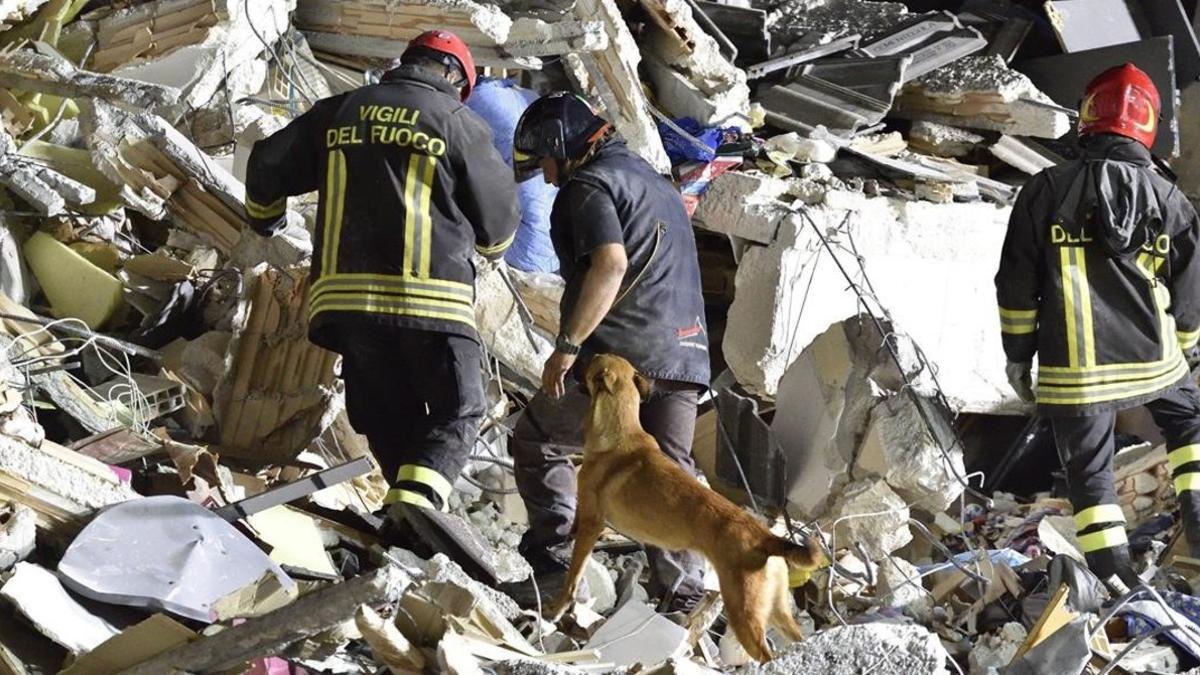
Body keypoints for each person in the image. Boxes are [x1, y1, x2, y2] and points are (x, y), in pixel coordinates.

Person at [244, 30, 519, 516]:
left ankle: (404, 512)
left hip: (345, 304)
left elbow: (267, 163)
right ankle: (418, 504)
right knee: (459, 407)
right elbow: (497, 227)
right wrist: (488, 245)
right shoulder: (457, 121)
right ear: (455, 78)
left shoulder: (340, 111)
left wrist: (266, 219)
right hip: (430, 299)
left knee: (389, 413)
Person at [995, 63, 1200, 588]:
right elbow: (1190, 294)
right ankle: (1199, 523)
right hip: (1154, 359)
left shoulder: (1044, 191)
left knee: (1091, 474)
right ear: (1150, 125)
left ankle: (1115, 580)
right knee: (1189, 425)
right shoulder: (1171, 201)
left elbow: (1017, 285)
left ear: (1087, 116)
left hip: (1076, 370)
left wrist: (1018, 354)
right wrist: (1186, 349)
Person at [507, 93, 712, 613]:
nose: (548, 177)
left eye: (547, 164)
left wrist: (568, 344)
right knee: (668, 475)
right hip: (687, 353)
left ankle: (553, 560)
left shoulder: (588, 184)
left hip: (620, 360)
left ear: (562, 146)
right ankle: (683, 595)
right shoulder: (656, 183)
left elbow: (611, 264)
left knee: (538, 440)